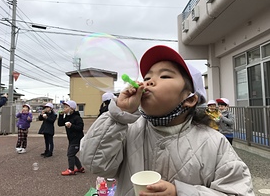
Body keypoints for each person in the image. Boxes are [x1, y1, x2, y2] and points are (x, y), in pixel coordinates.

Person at [80, 45, 254, 196]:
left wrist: (180, 192)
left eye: (164, 76)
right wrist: (119, 115)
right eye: (147, 78)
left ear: (190, 99)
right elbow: (94, 164)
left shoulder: (214, 143)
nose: (148, 82)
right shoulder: (126, 129)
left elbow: (237, 191)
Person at [58, 100, 85, 175]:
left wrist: (71, 126)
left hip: (77, 139)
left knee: (70, 154)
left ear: (72, 109)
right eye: (64, 107)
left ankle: (71, 169)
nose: (64, 109)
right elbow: (60, 124)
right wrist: (60, 115)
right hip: (71, 139)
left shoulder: (77, 117)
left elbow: (80, 128)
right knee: (72, 154)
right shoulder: (67, 117)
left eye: (66, 107)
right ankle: (80, 168)